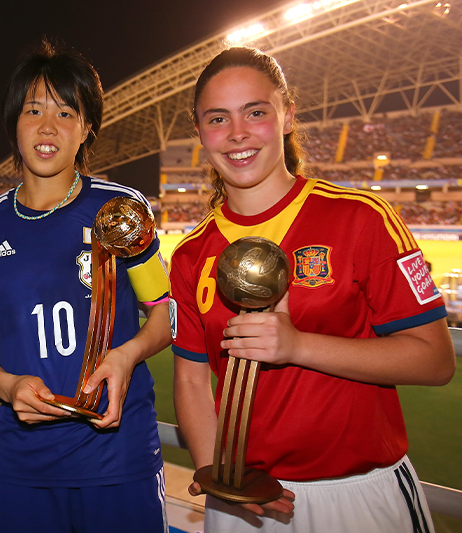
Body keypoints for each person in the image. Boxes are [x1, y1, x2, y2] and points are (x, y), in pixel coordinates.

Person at [170, 47, 456, 532]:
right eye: (218, 118)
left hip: (359, 493)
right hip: (243, 499)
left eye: (255, 112)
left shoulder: (361, 218)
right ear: (199, 132)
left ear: (286, 116)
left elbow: (435, 360)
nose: (237, 133)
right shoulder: (191, 253)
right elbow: (193, 380)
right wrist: (219, 474)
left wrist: (298, 345)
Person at [0, 42, 172, 533]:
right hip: (23, 469)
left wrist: (127, 355)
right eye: (33, 110)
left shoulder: (122, 210)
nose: (48, 126)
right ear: (14, 123)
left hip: (119, 461)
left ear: (87, 127)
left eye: (66, 112)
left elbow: (164, 314)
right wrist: (8, 386)